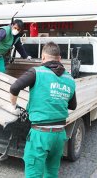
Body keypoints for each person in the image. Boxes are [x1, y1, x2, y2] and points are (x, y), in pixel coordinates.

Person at [9, 42, 77, 178]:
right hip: (59, 135)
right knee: (51, 173)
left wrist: (13, 105)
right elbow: (72, 106)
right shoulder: (70, 79)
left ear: (43, 57)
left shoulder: (37, 72)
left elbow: (14, 88)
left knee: (34, 174)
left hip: (40, 134)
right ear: (59, 58)